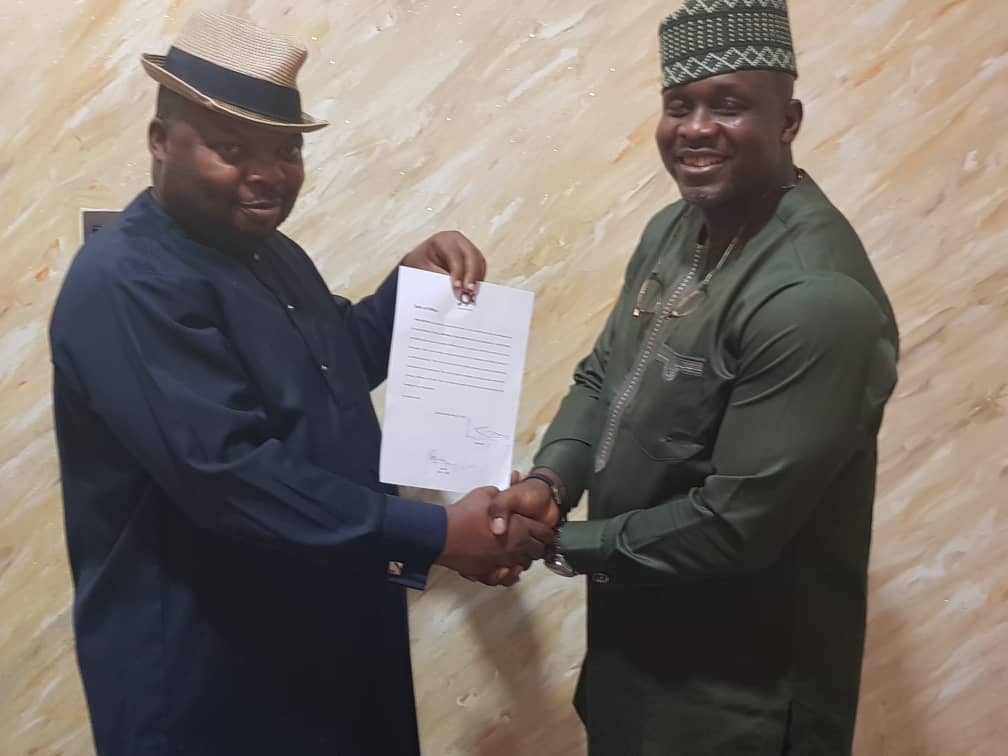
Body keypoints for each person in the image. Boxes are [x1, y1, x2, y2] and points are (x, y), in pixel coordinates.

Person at [49, 10, 553, 756]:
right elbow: (228, 476)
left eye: (286, 151)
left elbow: (329, 371)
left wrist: (408, 293)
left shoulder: (269, 252)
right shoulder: (127, 282)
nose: (269, 174)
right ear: (159, 141)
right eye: (232, 149)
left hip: (321, 644)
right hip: (213, 680)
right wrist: (441, 535)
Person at [490, 1, 900, 753]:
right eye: (679, 106)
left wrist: (556, 545)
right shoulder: (675, 231)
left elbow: (734, 525)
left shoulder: (813, 297)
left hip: (737, 703)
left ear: (789, 120)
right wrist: (551, 482)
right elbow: (602, 376)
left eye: (729, 105)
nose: (696, 128)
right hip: (635, 661)